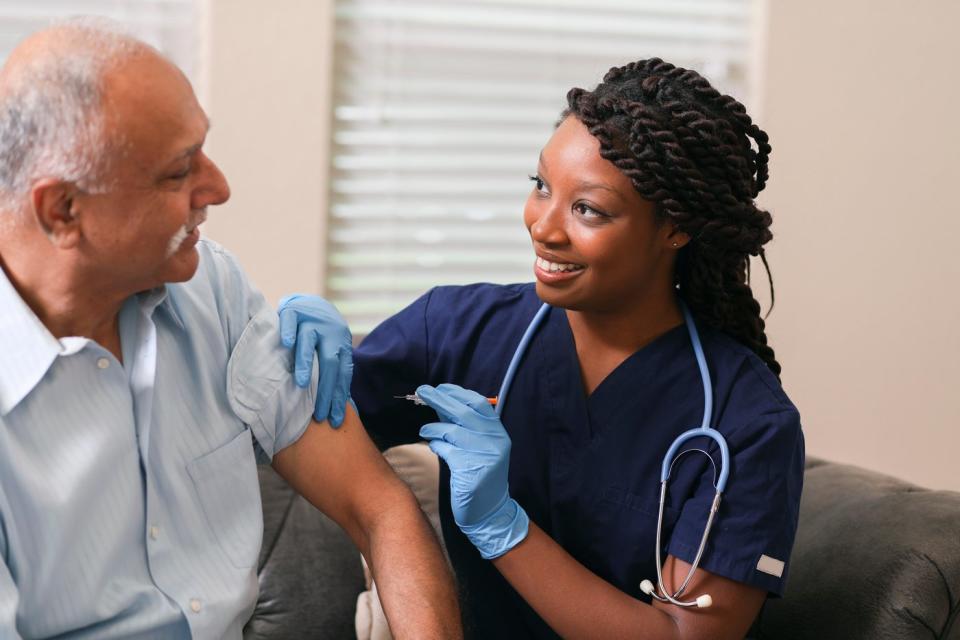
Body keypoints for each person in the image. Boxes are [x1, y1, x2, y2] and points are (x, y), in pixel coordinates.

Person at [292, 58, 804, 639]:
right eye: (541, 187)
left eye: (588, 209)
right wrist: (282, 360)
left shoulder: (746, 423)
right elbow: (290, 427)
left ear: (675, 229)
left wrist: (502, 526)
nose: (544, 226)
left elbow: (686, 637)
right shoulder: (459, 329)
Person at [0, 21, 460, 639]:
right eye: (177, 172)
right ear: (63, 211)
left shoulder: (208, 287)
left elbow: (378, 507)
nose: (218, 187)